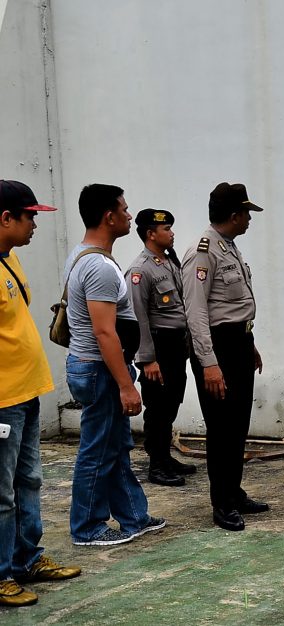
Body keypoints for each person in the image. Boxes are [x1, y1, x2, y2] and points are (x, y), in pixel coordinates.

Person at [64, 184, 165, 546]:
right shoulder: (98, 267)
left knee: (115, 445)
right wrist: (126, 384)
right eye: (123, 209)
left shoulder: (85, 255)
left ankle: (133, 516)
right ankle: (87, 528)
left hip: (97, 367)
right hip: (100, 370)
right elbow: (105, 332)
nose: (128, 214)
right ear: (109, 216)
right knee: (97, 450)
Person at [0, 180, 80, 607]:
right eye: (29, 216)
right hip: (2, 400)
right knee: (1, 492)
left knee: (29, 481)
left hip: (25, 392)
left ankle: (27, 558)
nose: (34, 224)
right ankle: (0, 574)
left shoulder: (9, 259)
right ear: (5, 218)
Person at [182, 183, 267, 531]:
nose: (249, 219)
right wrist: (210, 363)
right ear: (234, 216)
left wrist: (251, 345)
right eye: (247, 213)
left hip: (238, 345)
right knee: (221, 430)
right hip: (217, 349)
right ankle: (222, 504)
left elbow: (234, 306)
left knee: (238, 426)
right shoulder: (203, 252)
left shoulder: (229, 247)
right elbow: (196, 312)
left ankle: (234, 492)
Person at [125, 209, 196, 487]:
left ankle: (165, 457)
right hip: (158, 346)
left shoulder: (167, 263)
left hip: (176, 345)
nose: (172, 232)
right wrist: (147, 360)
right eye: (166, 228)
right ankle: (157, 465)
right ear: (150, 234)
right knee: (158, 406)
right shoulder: (140, 270)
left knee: (172, 401)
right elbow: (138, 317)